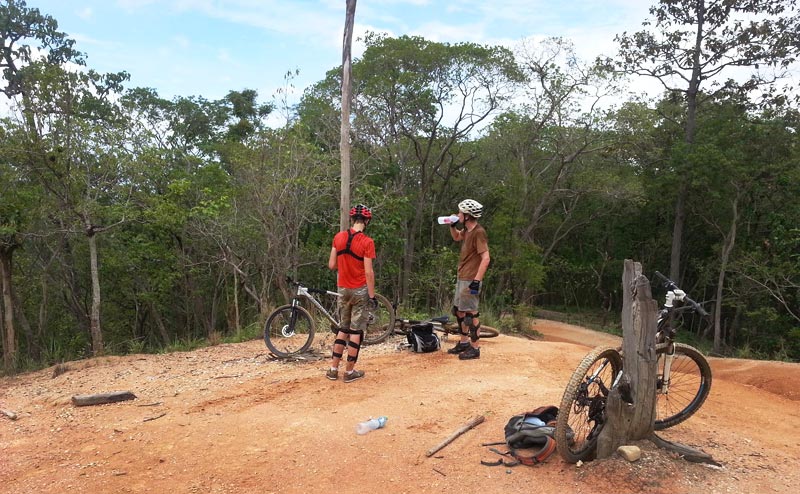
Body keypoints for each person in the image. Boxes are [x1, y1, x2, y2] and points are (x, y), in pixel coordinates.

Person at [326, 204, 377, 383]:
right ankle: (349, 372)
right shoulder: (367, 242)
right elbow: (369, 272)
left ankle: (333, 369)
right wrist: (372, 296)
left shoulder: (338, 237)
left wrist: (345, 264)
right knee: (356, 331)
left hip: (343, 289)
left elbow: (332, 265)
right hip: (360, 289)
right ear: (367, 221)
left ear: (352, 220)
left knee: (343, 328)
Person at [446, 199, 490, 360]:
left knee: (472, 313)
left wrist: (477, 281)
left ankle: (475, 348)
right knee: (459, 311)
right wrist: (452, 226)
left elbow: (486, 258)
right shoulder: (467, 230)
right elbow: (457, 237)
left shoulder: (479, 232)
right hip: (462, 275)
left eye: (460, 213)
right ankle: (464, 342)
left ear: (467, 216)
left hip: (471, 278)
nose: (458, 215)